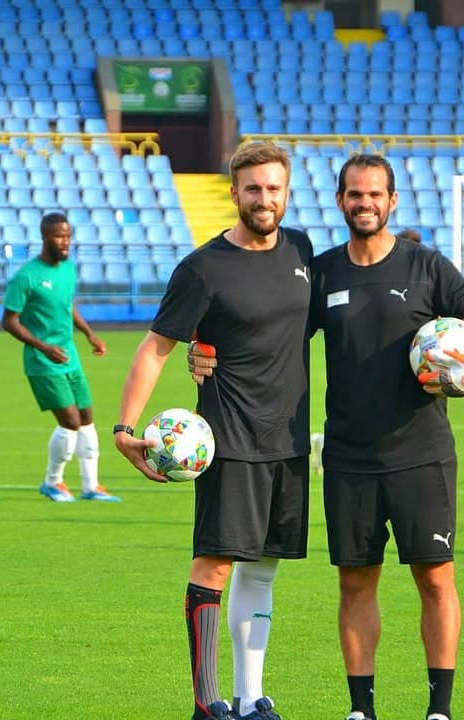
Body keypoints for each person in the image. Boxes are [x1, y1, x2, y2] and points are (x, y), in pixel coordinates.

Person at [190, 155, 464, 719]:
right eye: (355, 195)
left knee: (436, 580)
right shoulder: (323, 271)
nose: (365, 204)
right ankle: (361, 710)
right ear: (341, 201)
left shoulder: (427, 267)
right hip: (347, 458)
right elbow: (266, 321)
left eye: (375, 195)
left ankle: (439, 711)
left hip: (422, 454)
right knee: (356, 584)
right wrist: (201, 344)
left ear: (392, 202)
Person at [114, 142, 312, 720]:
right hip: (228, 438)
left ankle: (253, 699)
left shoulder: (301, 252)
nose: (264, 199)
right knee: (216, 565)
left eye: (273, 188)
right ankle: (207, 701)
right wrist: (126, 427)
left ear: (286, 191)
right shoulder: (202, 268)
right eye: (253, 188)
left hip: (290, 440)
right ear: (234, 192)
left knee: (264, 566)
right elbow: (155, 348)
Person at [1, 212, 119, 503]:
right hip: (43, 361)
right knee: (70, 420)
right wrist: (43, 347)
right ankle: (53, 482)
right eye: (58, 236)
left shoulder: (67, 269)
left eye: (67, 236)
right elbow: (9, 321)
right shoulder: (26, 276)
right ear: (44, 237)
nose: (65, 242)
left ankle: (91, 486)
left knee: (87, 418)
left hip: (70, 355)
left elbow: (67, 306)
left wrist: (89, 334)